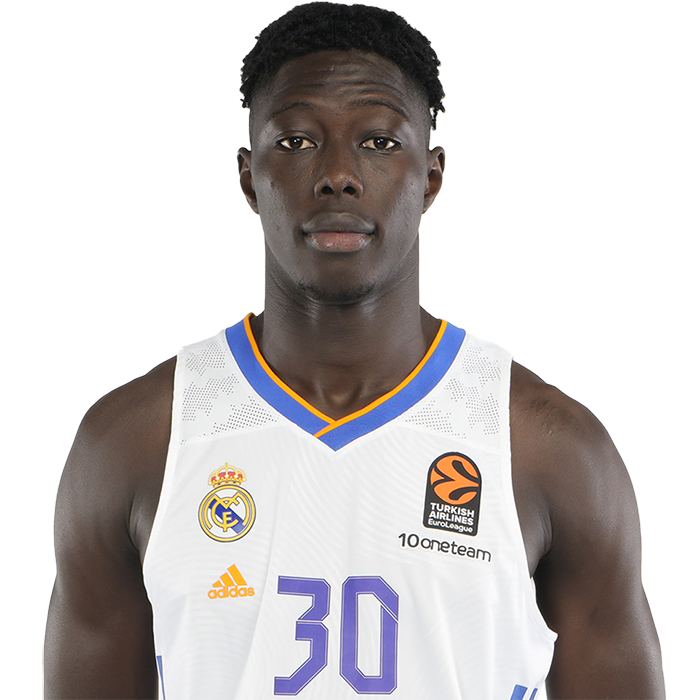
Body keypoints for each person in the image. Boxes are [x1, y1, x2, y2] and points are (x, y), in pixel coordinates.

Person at [44, 3, 665, 699]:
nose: (337, 174)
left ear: (430, 177)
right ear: (249, 176)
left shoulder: (551, 448)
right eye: (296, 141)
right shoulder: (133, 441)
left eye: (378, 142)